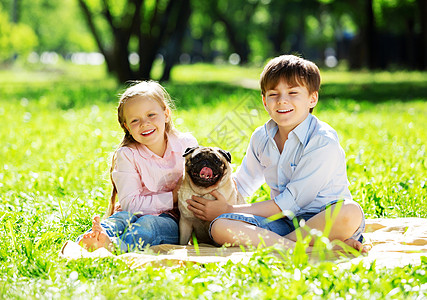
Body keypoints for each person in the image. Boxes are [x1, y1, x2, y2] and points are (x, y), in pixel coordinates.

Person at [187, 55, 367, 252]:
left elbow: (290, 202)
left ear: (312, 98)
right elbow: (242, 185)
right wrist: (211, 198)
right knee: (220, 226)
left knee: (350, 211)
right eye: (274, 94)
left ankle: (286, 245)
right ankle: (308, 249)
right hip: (282, 224)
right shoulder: (261, 137)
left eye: (293, 92)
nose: (282, 101)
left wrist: (230, 210)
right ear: (264, 101)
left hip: (324, 222)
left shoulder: (322, 141)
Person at [78, 81, 198, 252]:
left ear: (166, 114)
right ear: (126, 126)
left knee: (147, 225)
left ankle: (117, 246)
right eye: (135, 120)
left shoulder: (186, 144)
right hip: (132, 213)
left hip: (173, 220)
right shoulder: (127, 154)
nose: (144, 123)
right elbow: (131, 206)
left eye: (151, 115)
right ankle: (93, 238)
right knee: (118, 221)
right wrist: (173, 195)